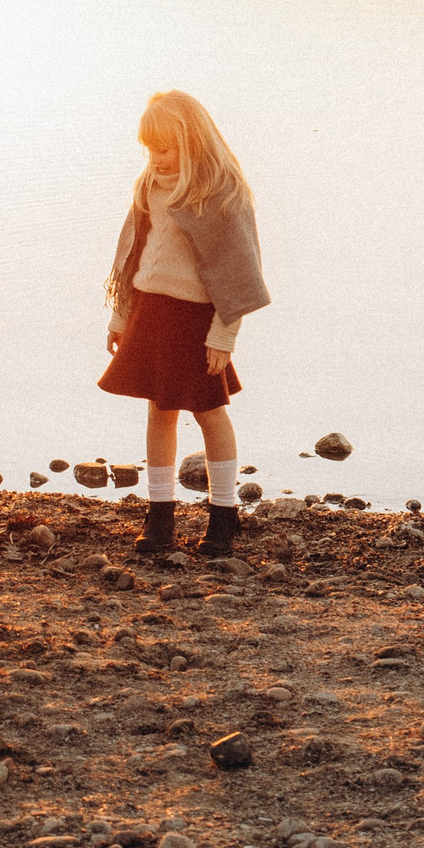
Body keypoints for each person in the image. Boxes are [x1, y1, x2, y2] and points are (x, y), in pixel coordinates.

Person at [100, 90, 269, 559]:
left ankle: (223, 515)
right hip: (151, 310)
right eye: (149, 149)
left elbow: (236, 275)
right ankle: (160, 515)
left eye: (166, 148)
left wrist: (223, 335)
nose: (156, 158)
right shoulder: (148, 185)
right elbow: (135, 255)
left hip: (197, 319)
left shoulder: (219, 194)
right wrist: (121, 314)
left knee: (210, 412)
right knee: (159, 410)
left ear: (192, 142)